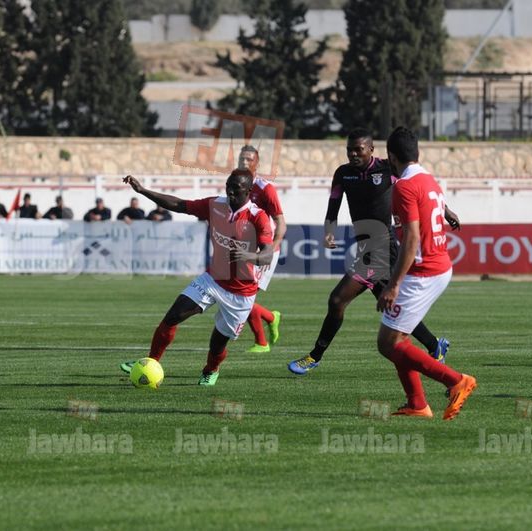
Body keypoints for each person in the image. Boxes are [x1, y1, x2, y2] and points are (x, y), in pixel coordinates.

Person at [288, 128, 460, 375]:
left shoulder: (386, 169)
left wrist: (446, 210)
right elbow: (334, 203)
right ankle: (435, 346)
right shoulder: (343, 173)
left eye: (358, 149)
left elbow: (417, 192)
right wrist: (329, 230)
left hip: (383, 249)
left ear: (371, 149)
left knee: (338, 300)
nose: (353, 154)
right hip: (366, 247)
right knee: (395, 310)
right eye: (349, 150)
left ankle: (314, 356)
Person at [118, 169, 273, 386]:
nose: (230, 191)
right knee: (172, 316)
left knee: (217, 344)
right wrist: (143, 190)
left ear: (248, 190)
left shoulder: (258, 217)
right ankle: (150, 362)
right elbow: (179, 204)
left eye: (236, 188)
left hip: (241, 292)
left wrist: (247, 256)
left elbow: (267, 255)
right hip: (212, 280)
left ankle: (211, 369)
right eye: (228, 185)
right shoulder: (215, 205)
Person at [376, 126, 476, 419]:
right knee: (398, 339)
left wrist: (393, 285)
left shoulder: (404, 187)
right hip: (437, 265)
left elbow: (411, 239)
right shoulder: (428, 178)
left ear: (391, 157)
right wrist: (448, 212)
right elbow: (432, 205)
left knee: (388, 343)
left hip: (423, 271)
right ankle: (417, 404)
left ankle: (456, 381)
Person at [237, 145, 285, 353]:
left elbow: (280, 222)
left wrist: (270, 250)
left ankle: (262, 342)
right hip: (245, 249)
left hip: (263, 251)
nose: (244, 162)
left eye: (249, 159)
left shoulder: (266, 188)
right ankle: (271, 318)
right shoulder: (236, 185)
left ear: (257, 163)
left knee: (243, 296)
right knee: (239, 294)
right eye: (242, 158)